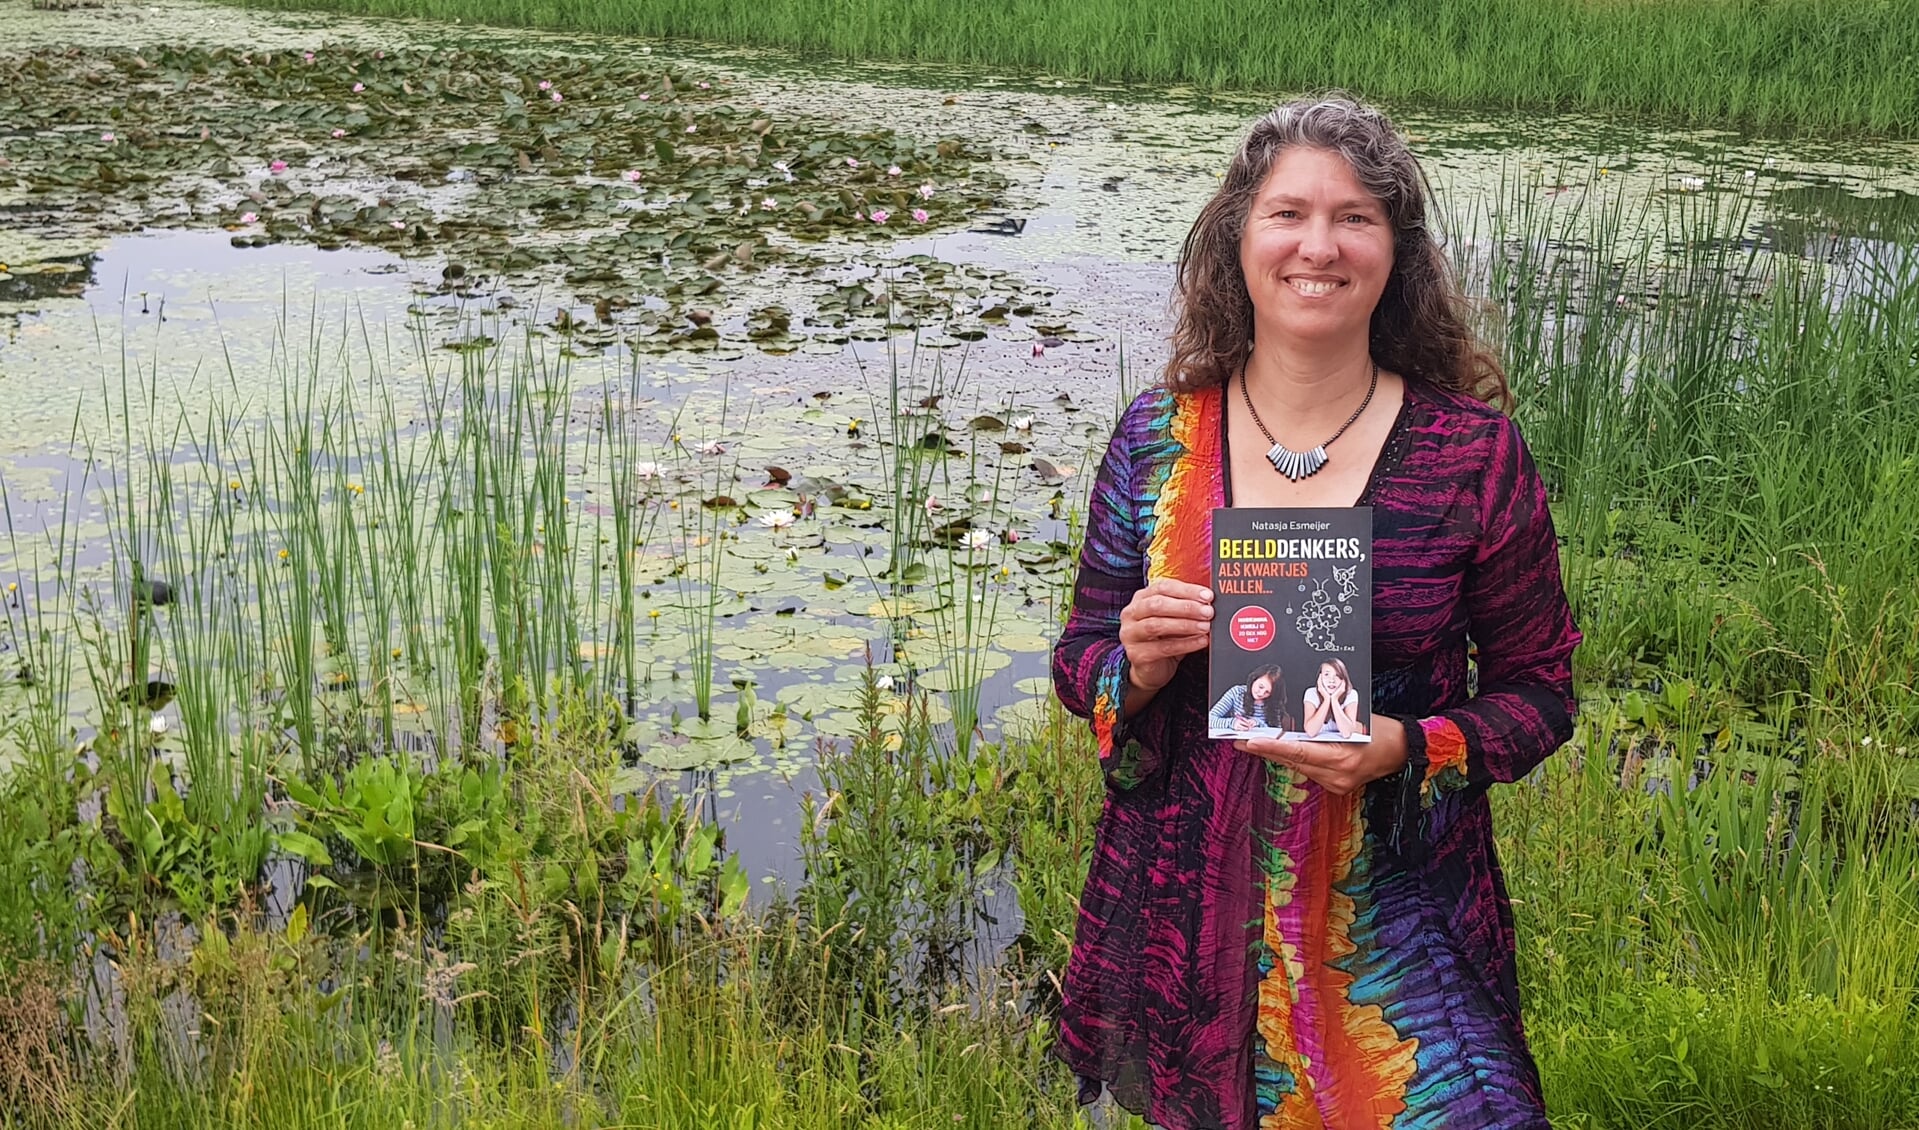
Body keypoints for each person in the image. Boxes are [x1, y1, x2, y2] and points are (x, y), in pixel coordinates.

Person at [1051, 95, 1579, 1130]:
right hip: (1191, 913)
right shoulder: (1158, 440)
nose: (1317, 246)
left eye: (1355, 217)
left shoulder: (1470, 454)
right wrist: (1136, 663)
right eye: (1287, 212)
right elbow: (1080, 664)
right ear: (1236, 238)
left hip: (1399, 910)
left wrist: (1406, 744)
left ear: (1395, 252)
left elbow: (1540, 693)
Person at [1207, 664, 1292, 734]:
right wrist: (1232, 723)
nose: (1261, 693)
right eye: (1261, 687)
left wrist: (1258, 723)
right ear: (1254, 679)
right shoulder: (1236, 692)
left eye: (1267, 692)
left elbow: (1276, 731)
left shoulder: (1273, 701)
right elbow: (1210, 719)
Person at [1301, 658, 1366, 739]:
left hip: (1342, 746)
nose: (1331, 680)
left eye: (1337, 675)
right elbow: (1311, 732)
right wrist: (1326, 699)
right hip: (1317, 745)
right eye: (1326, 675)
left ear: (1344, 679)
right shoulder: (1311, 693)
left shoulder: (1351, 694)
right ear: (1319, 677)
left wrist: (1334, 699)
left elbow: (1346, 733)